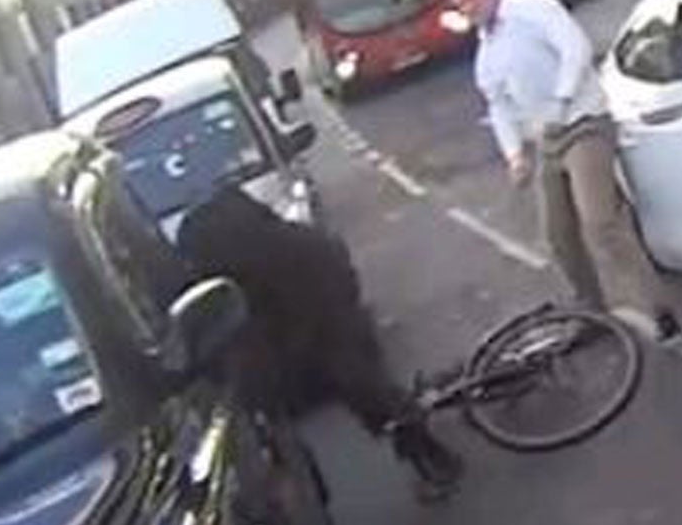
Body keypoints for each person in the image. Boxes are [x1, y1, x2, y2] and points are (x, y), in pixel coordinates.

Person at [175, 186, 465, 501]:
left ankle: (438, 463)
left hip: (328, 346)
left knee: (381, 406)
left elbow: (266, 325)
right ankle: (429, 453)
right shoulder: (289, 240)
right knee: (380, 398)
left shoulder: (247, 273)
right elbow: (336, 263)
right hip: (342, 331)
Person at [449, 0, 680, 342]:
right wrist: (514, 156)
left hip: (583, 120)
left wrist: (562, 100)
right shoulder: (485, 55)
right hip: (548, 140)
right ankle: (591, 314)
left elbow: (575, 47)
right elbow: (499, 107)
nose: (468, 10)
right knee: (557, 234)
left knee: (599, 223)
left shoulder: (533, 10)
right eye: (460, 6)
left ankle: (660, 309)